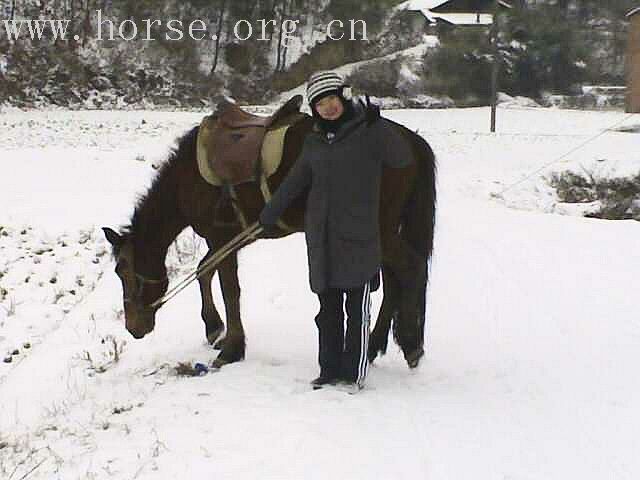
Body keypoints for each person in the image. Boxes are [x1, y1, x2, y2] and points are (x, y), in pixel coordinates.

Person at [259, 70, 413, 390]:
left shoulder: (369, 133)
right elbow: (296, 181)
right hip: (322, 239)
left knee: (356, 311)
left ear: (343, 98)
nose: (327, 108)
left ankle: (352, 374)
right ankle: (328, 369)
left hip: (358, 238)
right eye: (320, 103)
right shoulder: (314, 141)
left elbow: (401, 159)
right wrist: (268, 214)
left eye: (332, 100)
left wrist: (379, 125)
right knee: (327, 310)